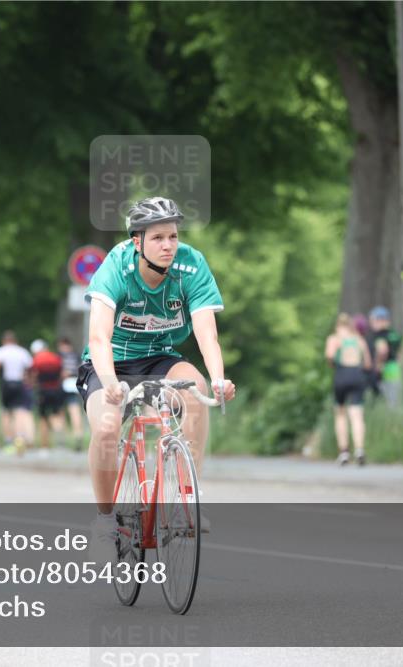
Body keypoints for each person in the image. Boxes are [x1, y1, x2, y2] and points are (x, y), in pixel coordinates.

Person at [78, 196, 235, 562]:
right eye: (158, 238)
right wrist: (110, 383)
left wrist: (217, 379)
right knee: (105, 427)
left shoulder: (191, 266)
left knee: (195, 394)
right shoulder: (115, 267)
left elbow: (206, 333)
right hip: (110, 363)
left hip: (160, 358)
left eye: (173, 236)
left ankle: (182, 499)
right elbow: (99, 337)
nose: (168, 246)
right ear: (138, 241)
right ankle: (105, 518)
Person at [325, 313, 373, 466]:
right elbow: (367, 364)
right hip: (357, 375)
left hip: (342, 374)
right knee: (357, 414)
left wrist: (334, 364)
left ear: (338, 325)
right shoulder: (359, 339)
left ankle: (344, 451)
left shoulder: (334, 338)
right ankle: (359, 449)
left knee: (340, 413)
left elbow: (330, 355)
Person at [0, 330, 35, 455]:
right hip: (20, 383)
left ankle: (8, 442)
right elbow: (31, 368)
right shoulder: (22, 351)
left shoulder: (0, 351)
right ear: (15, 341)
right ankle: (19, 438)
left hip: (7, 384)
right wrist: (30, 381)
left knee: (6, 413)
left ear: (4, 341)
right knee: (19, 412)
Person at [29, 339, 66, 453]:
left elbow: (33, 375)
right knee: (57, 415)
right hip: (56, 389)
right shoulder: (55, 357)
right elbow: (62, 373)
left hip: (43, 391)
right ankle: (60, 442)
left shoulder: (36, 359)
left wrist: (32, 385)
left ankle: (44, 446)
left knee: (43, 418)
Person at [367, 306, 403, 407]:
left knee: (383, 404)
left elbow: (382, 350)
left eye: (373, 320)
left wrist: (378, 366)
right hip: (395, 369)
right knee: (395, 402)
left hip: (384, 371)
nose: (371, 323)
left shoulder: (379, 335)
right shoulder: (394, 334)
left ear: (380, 320)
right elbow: (400, 353)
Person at [57, 337, 85, 447]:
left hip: (62, 385)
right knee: (74, 411)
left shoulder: (58, 356)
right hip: (74, 384)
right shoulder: (76, 355)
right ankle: (78, 435)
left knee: (61, 412)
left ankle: (62, 438)